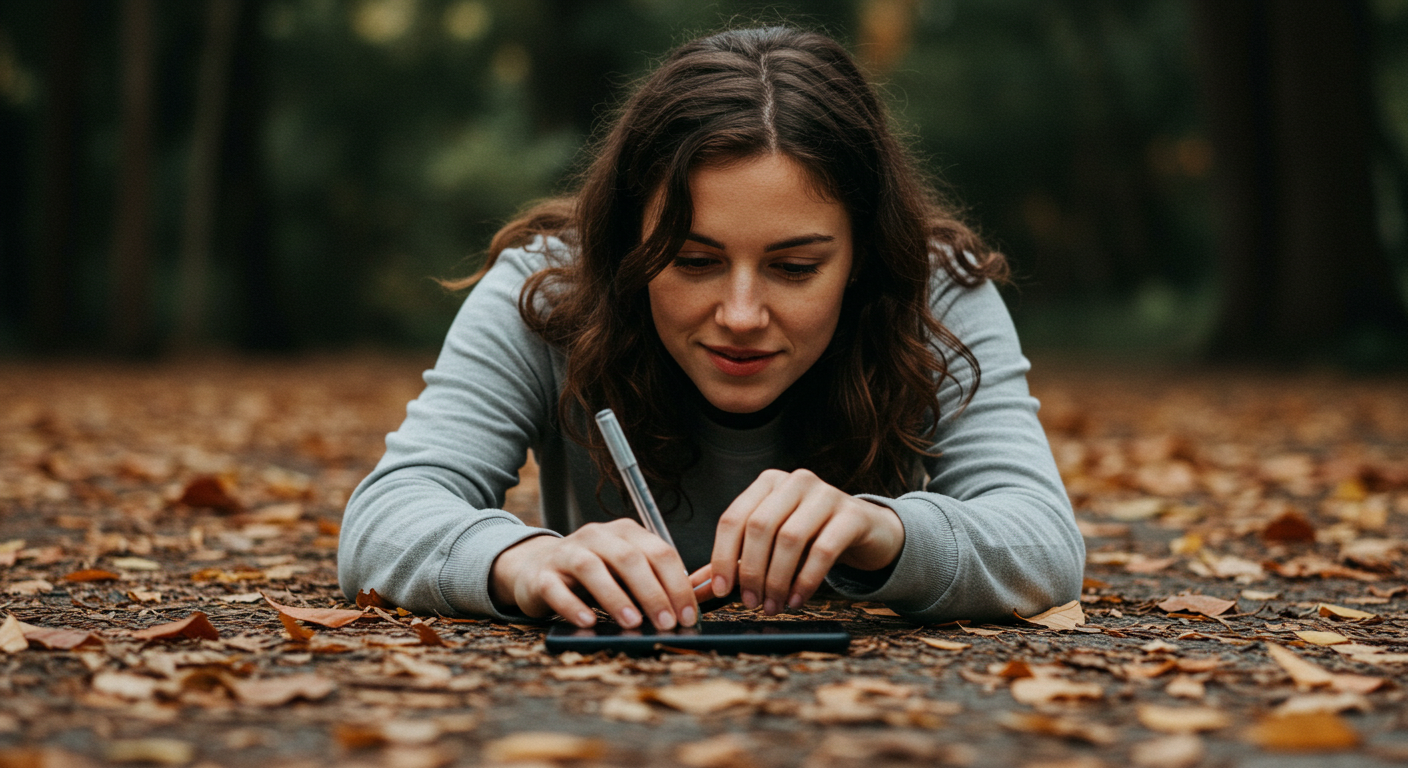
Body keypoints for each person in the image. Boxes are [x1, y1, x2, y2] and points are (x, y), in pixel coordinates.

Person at [337, 26, 1084, 630]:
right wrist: (523, 560)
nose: (740, 315)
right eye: (693, 260)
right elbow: (388, 513)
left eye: (795, 269)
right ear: (629, 243)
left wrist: (877, 529)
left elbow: (1041, 540)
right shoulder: (549, 288)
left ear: (861, 254)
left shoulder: (933, 289)